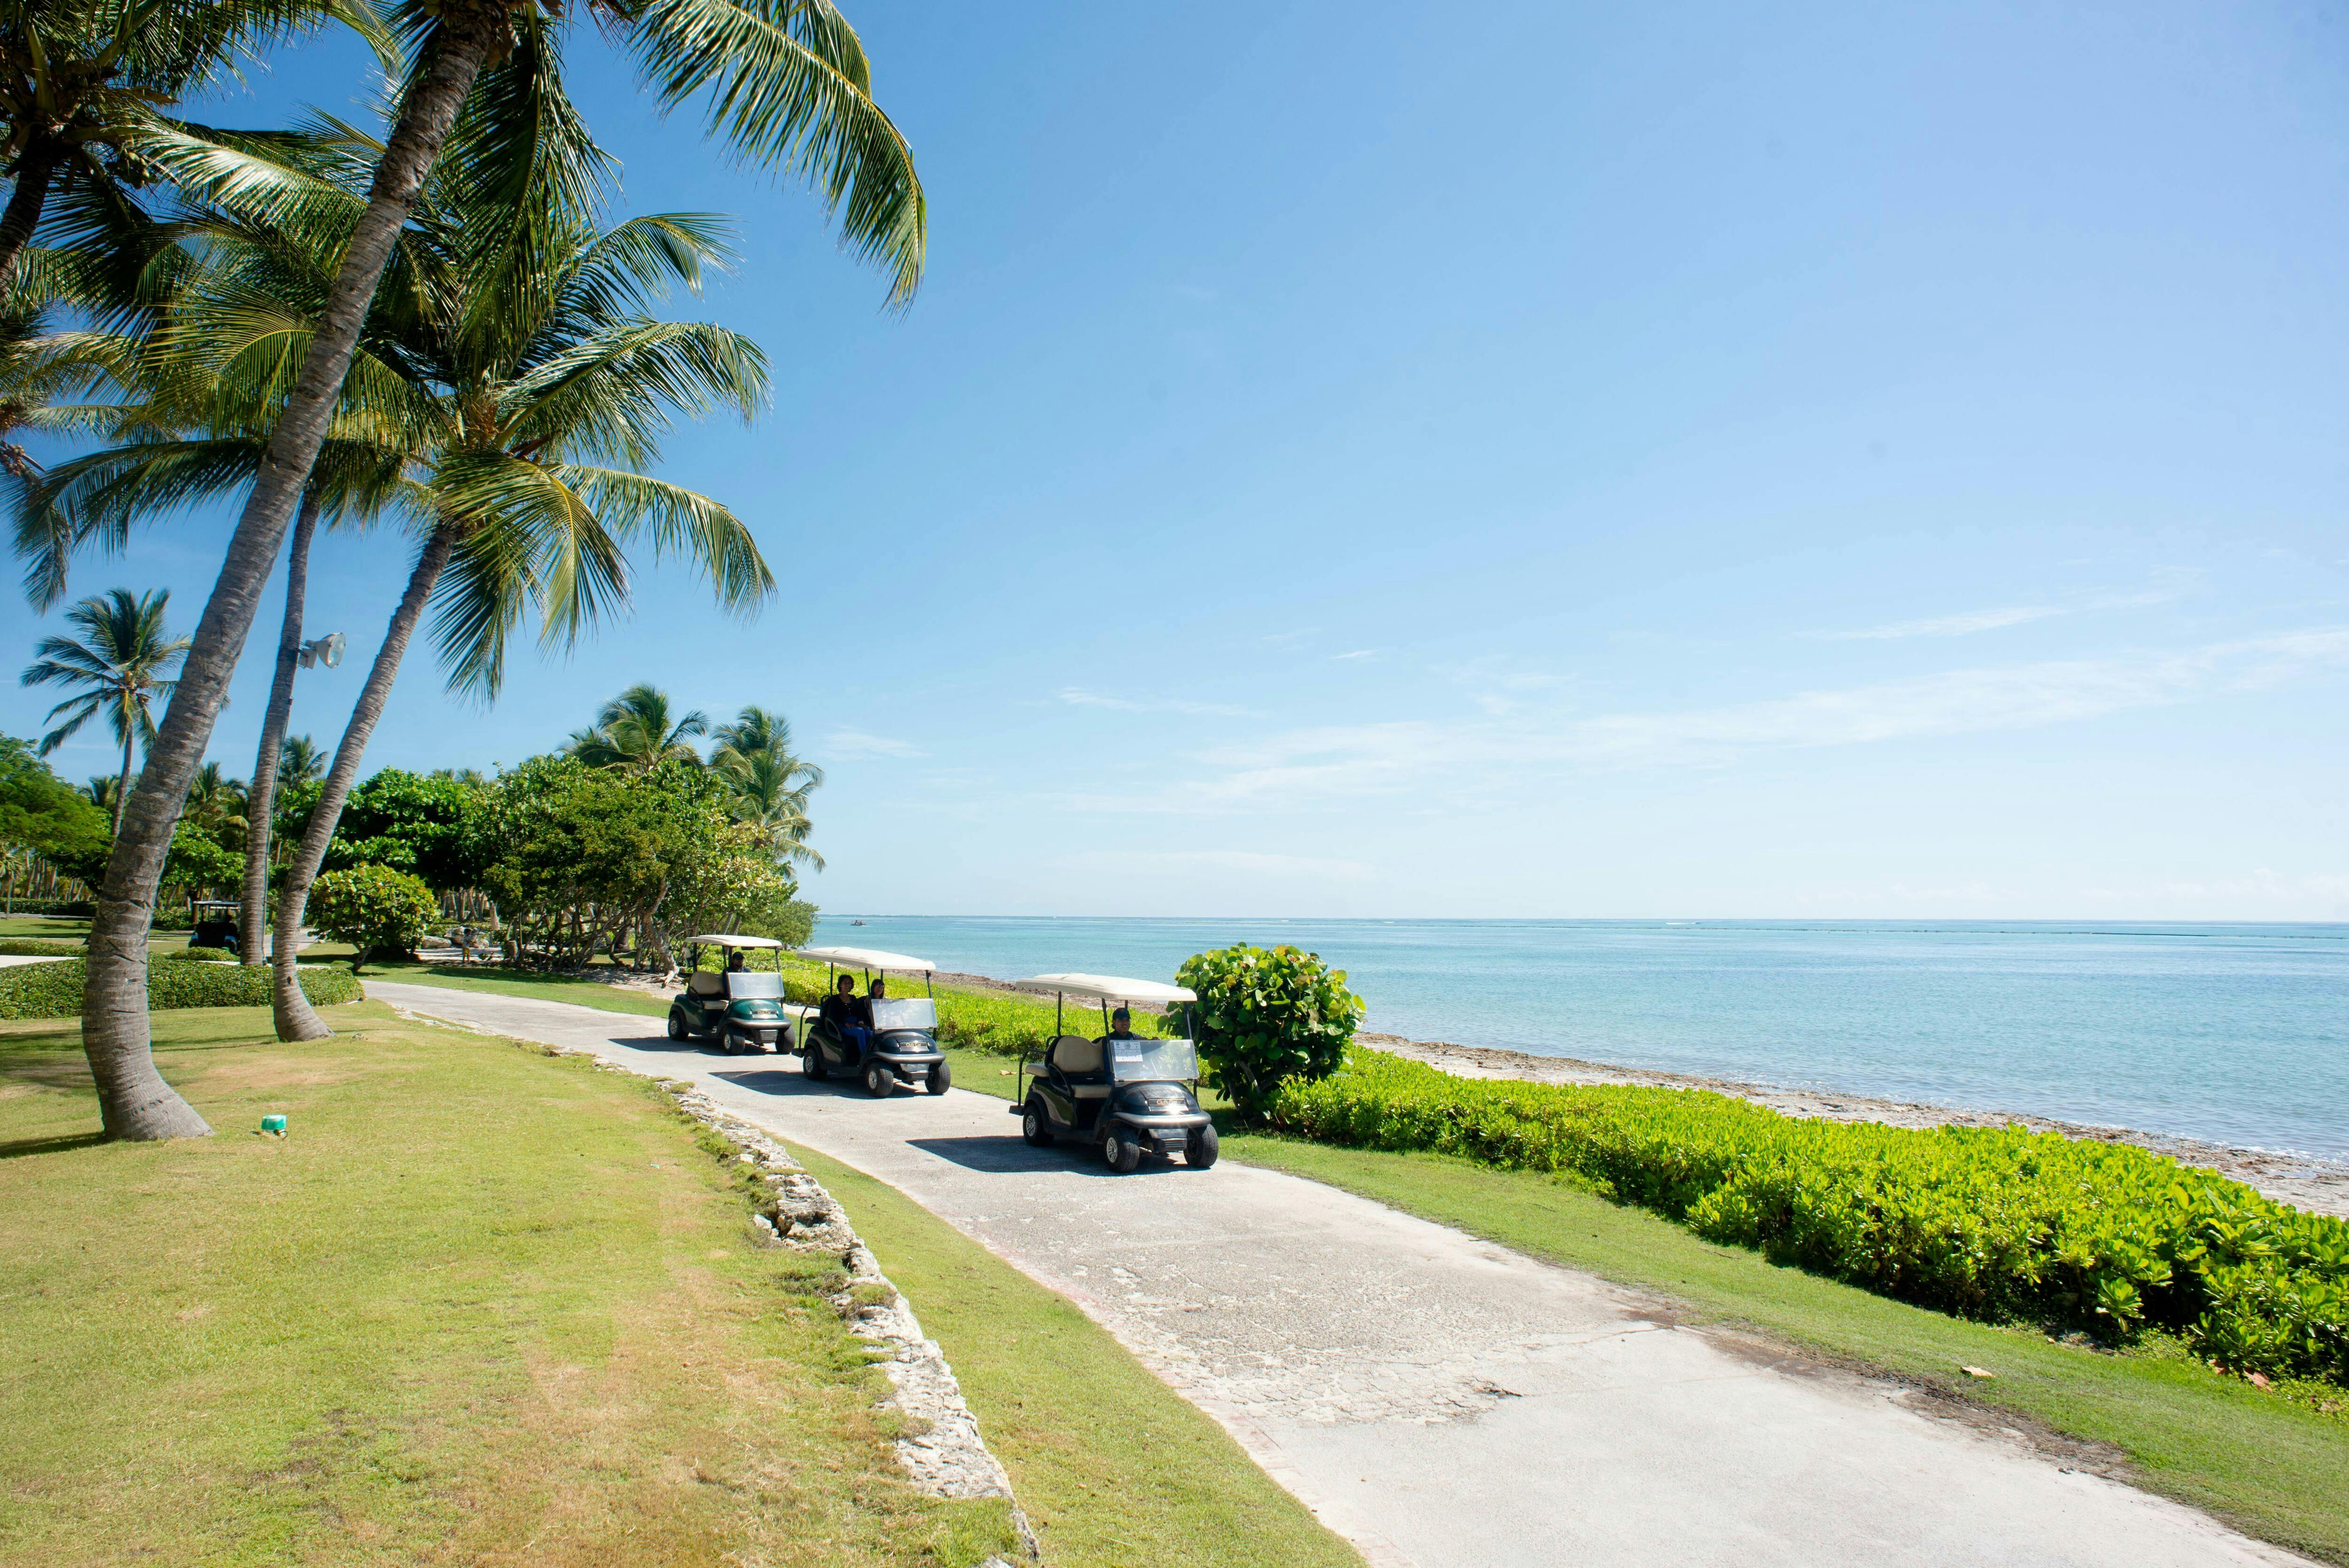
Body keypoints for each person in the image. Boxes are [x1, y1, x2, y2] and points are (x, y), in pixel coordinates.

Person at [822, 974, 874, 1062]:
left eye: (849, 983)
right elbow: (832, 1016)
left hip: (855, 1023)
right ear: (840, 985)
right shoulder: (835, 999)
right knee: (860, 1032)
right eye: (845, 983)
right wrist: (846, 1023)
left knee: (869, 1032)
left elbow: (859, 1012)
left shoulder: (853, 998)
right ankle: (865, 1057)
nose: (847, 985)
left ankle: (873, 1054)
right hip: (842, 1025)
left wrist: (861, 1022)